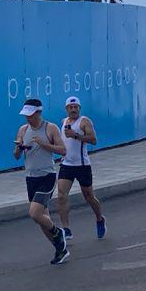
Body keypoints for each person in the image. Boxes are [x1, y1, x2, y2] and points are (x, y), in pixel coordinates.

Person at [14, 98, 70, 264]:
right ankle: (60, 249)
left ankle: (58, 232)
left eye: (31, 115)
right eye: (26, 115)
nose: (28, 118)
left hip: (47, 175)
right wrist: (19, 148)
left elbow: (62, 150)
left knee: (34, 213)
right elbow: (16, 156)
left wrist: (45, 145)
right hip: (31, 177)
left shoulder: (50, 128)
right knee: (41, 219)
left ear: (39, 112)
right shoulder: (23, 130)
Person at [56, 96, 106, 240]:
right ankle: (66, 229)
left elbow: (94, 140)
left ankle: (99, 218)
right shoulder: (63, 122)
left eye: (76, 107)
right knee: (61, 196)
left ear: (79, 108)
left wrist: (76, 135)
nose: (73, 109)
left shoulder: (84, 122)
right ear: (66, 109)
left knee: (89, 196)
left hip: (82, 165)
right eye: (70, 107)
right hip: (67, 165)